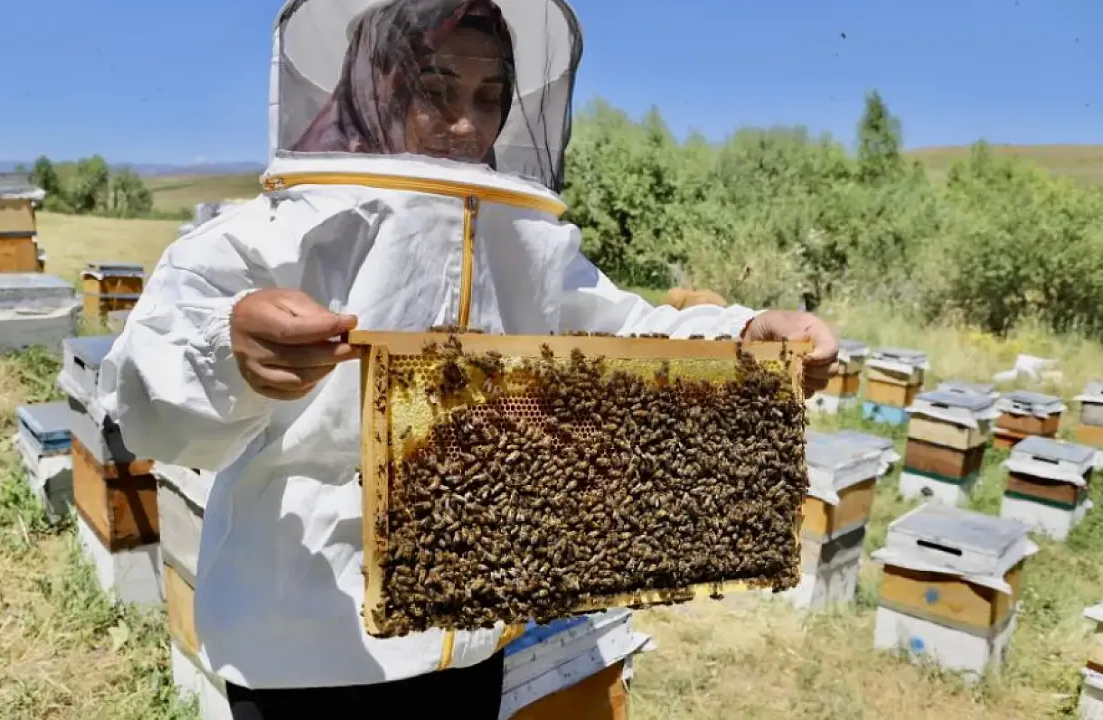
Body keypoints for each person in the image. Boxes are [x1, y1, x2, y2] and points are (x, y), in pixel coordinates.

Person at [97, 1, 839, 718]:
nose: (466, 125)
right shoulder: (268, 234)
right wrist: (230, 353)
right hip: (305, 647)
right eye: (436, 90)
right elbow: (143, 404)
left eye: (489, 98)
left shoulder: (527, 242)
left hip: (473, 628)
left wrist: (747, 336)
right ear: (375, 86)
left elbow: (628, 336)